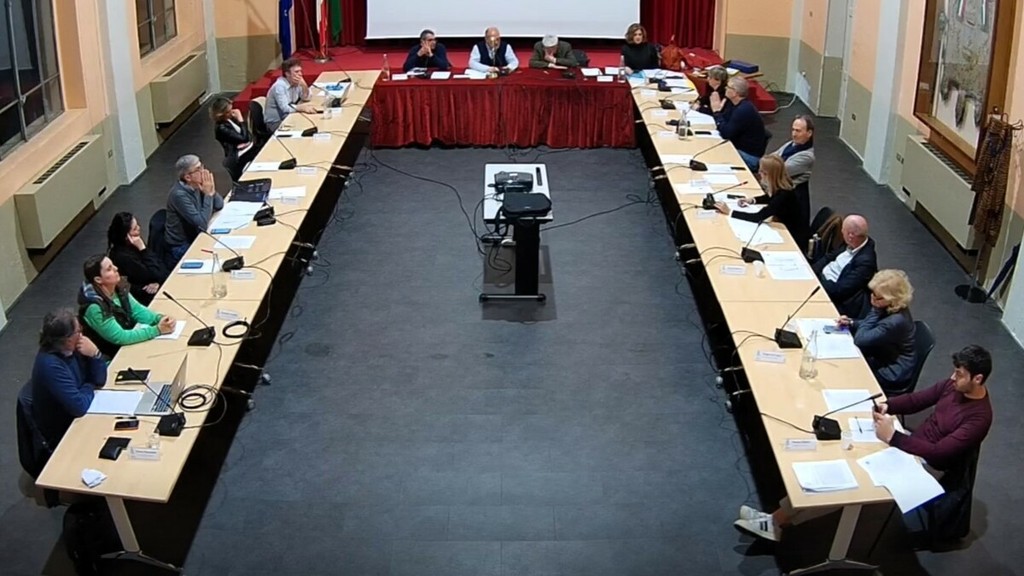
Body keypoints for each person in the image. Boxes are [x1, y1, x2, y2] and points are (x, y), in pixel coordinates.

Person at [735, 345, 993, 542]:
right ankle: (777, 519)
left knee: (849, 478)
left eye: (959, 374)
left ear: (978, 379)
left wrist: (894, 437)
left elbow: (939, 453)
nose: (952, 377)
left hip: (928, 464)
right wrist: (887, 405)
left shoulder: (979, 418)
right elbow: (918, 400)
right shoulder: (953, 386)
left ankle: (775, 521)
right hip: (909, 443)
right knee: (844, 449)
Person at [30, 309, 107, 452]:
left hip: (83, 413)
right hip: (65, 432)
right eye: (78, 331)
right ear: (68, 339)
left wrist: (95, 354)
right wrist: (90, 385)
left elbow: (100, 380)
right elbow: (79, 406)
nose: (82, 334)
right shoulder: (50, 366)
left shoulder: (73, 348)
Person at [78, 254, 176, 358]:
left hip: (129, 345)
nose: (116, 268)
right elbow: (120, 337)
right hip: (112, 356)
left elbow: (137, 311)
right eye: (109, 269)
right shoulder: (94, 308)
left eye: (113, 265)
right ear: (98, 279)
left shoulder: (118, 286)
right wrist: (157, 330)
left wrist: (159, 318)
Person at [838, 269, 916, 393]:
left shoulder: (895, 321)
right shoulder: (890, 306)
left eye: (877, 297)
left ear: (891, 299)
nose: (872, 298)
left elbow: (860, 339)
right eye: (872, 293)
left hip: (891, 371)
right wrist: (851, 322)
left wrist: (874, 310)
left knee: (845, 373)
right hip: (880, 354)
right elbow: (874, 327)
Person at [714, 155, 808, 249]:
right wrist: (752, 200)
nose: (759, 173)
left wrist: (730, 212)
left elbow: (758, 217)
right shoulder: (781, 185)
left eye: (761, 171)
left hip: (791, 234)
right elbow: (770, 197)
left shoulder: (783, 195)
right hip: (781, 222)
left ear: (768, 174)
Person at [164, 154, 224, 265]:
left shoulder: (197, 185)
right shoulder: (179, 195)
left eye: (202, 166)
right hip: (182, 245)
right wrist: (208, 195)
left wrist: (212, 190)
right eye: (198, 169)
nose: (203, 171)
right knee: (216, 258)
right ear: (188, 177)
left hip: (196, 234)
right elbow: (201, 224)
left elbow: (219, 205)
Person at [812, 214, 877, 318]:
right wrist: (811, 271)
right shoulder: (852, 242)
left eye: (843, 230)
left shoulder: (866, 263)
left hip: (828, 292)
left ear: (850, 236)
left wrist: (816, 282)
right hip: (819, 279)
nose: (841, 232)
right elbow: (828, 257)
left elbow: (839, 290)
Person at [106, 212, 168, 306]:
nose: (139, 228)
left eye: (137, 225)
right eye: (135, 228)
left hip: (151, 286)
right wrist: (143, 249)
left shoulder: (134, 245)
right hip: (141, 296)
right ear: (126, 236)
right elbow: (157, 274)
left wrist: (158, 281)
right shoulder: (124, 257)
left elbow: (161, 268)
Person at [711, 76, 768, 163]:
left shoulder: (743, 110)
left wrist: (716, 112)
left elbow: (726, 133)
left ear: (735, 92)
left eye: (728, 87)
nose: (725, 88)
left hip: (749, 155)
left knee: (715, 154)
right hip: (738, 147)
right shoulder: (733, 104)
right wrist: (718, 114)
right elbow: (724, 120)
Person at [211, 96, 259, 182]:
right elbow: (244, 138)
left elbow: (247, 134)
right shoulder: (221, 128)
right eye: (228, 112)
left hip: (246, 147)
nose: (232, 112)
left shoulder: (231, 119)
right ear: (221, 113)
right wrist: (241, 120)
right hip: (238, 155)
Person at [264, 58, 317, 133]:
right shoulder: (279, 86)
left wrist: (304, 85)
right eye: (296, 72)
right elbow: (285, 108)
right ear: (287, 74)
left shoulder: (296, 82)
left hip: (288, 117)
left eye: (300, 71)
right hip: (275, 123)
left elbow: (306, 98)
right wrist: (301, 108)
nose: (300, 74)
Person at [767, 115, 815, 185]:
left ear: (809, 133)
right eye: (793, 130)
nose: (794, 134)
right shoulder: (791, 144)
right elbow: (772, 157)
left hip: (783, 188)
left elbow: (780, 171)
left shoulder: (807, 157)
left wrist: (765, 165)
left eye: (798, 131)